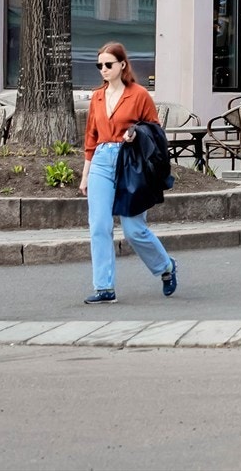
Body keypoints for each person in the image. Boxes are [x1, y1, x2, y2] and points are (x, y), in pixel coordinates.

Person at [79, 42, 179, 303]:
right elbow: (91, 137)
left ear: (122, 65)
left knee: (134, 229)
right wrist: (85, 173)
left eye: (108, 64)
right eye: (99, 65)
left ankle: (165, 267)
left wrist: (135, 134)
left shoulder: (139, 95)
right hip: (101, 160)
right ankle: (104, 288)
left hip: (130, 162)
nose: (103, 69)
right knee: (99, 226)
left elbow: (156, 132)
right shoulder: (97, 97)